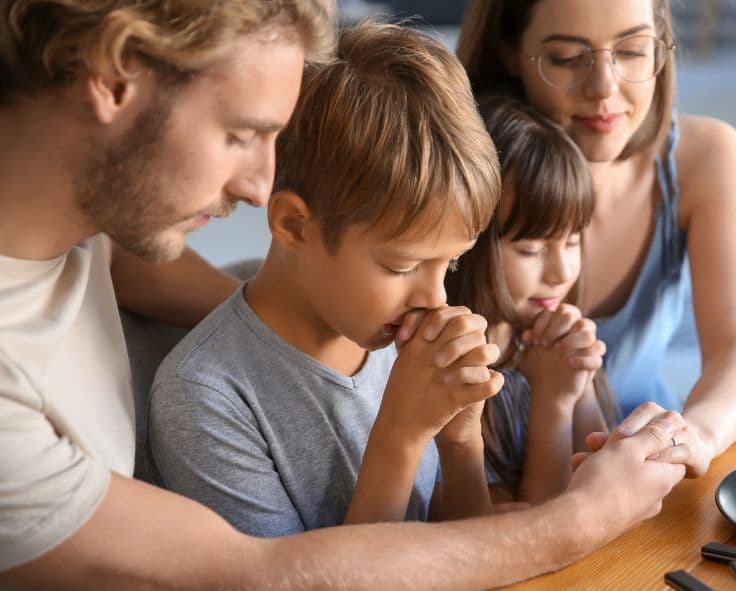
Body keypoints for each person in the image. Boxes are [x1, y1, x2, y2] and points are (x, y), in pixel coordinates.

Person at [0, 2, 690, 588]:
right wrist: (579, 518)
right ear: (116, 77)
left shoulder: (87, 223)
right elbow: (266, 573)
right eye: (240, 134)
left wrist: (456, 432)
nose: (256, 186)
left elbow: (148, 266)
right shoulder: (170, 394)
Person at [147, 22, 505, 534]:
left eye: (449, 264)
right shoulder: (207, 399)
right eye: (400, 267)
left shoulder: (395, 339)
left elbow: (469, 554)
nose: (435, 298)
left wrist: (460, 440)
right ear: (294, 225)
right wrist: (400, 438)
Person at [457, 0, 736, 477]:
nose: (604, 87)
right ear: (508, 50)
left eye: (632, 51)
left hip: (649, 469)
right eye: (565, 57)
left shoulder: (705, 158)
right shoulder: (456, 177)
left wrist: (694, 436)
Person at [446, 95, 623, 504]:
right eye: (532, 250)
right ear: (467, 245)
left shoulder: (547, 336)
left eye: (573, 241)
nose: (562, 272)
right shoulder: (457, 372)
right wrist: (554, 402)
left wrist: (578, 385)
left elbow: (601, 484)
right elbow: (544, 522)